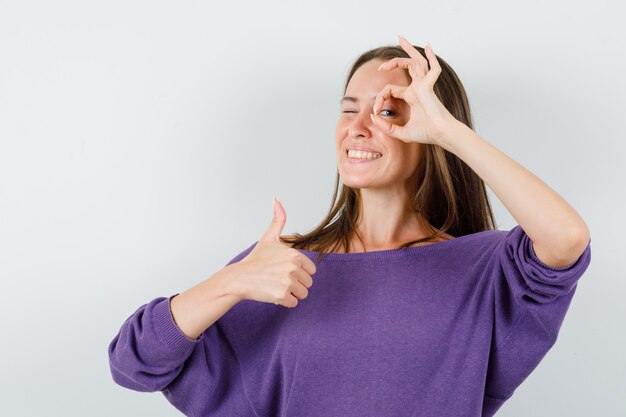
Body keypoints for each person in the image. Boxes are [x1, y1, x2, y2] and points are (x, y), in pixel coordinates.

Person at [108, 35, 592, 416]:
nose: (357, 127)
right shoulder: (280, 267)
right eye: (348, 108)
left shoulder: (484, 270)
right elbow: (134, 364)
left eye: (387, 111)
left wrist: (449, 133)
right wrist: (231, 282)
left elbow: (567, 238)